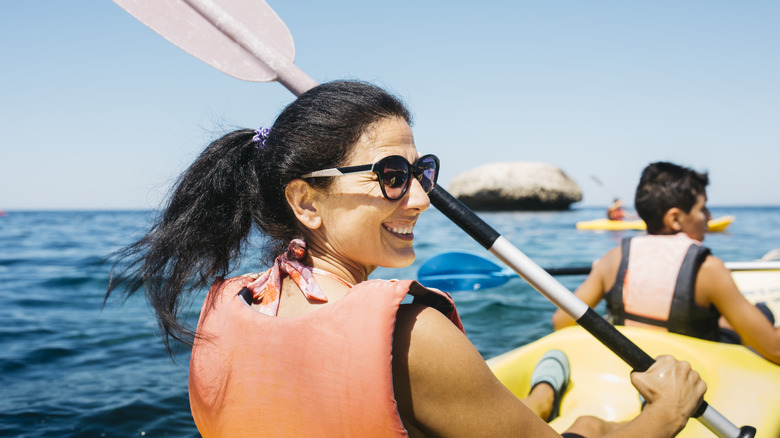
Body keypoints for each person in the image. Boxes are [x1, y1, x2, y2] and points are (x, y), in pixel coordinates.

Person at [107, 81, 706, 437]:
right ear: (305, 201)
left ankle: (544, 396)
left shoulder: (225, 304)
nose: (420, 198)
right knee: (593, 430)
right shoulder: (412, 333)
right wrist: (665, 415)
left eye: (421, 172)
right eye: (392, 176)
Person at [553, 161, 780, 365]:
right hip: (693, 370)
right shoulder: (708, 269)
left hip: (637, 362)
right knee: (764, 312)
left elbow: (561, 321)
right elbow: (774, 350)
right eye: (703, 208)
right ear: (674, 218)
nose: (709, 217)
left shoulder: (613, 259)